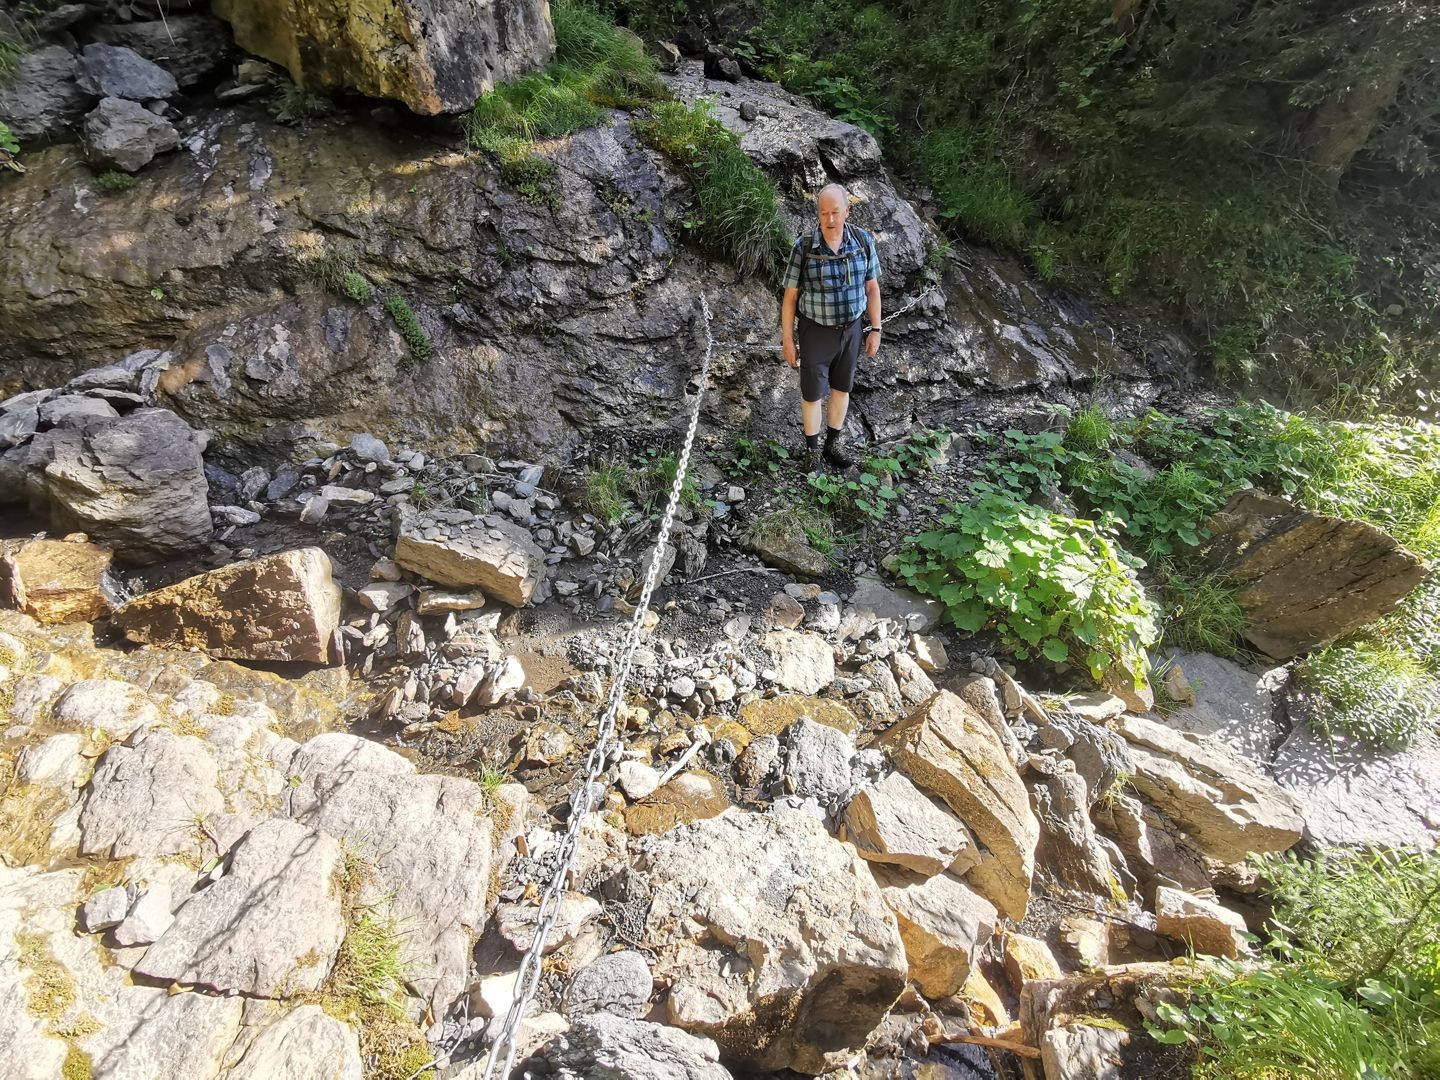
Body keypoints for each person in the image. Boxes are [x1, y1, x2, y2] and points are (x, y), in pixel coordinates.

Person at [779, 183, 882, 469]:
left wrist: (876, 329)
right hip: (815, 331)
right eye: (824, 213)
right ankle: (812, 453)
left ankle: (832, 446)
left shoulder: (863, 242)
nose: (831, 220)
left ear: (847, 210)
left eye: (836, 212)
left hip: (852, 329)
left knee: (841, 388)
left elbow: (872, 289)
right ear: (818, 214)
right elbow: (790, 298)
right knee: (812, 393)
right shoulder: (804, 246)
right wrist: (788, 339)